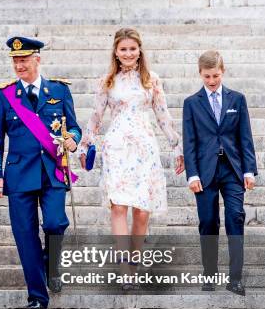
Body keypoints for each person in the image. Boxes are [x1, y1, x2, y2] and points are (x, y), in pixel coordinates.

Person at [78, 27, 185, 290]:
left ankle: (134, 262)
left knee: (142, 212)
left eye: (132, 49)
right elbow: (95, 117)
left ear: (140, 51)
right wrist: (84, 145)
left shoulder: (152, 80)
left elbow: (163, 117)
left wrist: (177, 147)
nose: (128, 53)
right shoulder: (107, 81)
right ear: (116, 51)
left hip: (145, 148)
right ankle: (125, 270)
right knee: (118, 207)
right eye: (123, 49)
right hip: (116, 147)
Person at [0, 36, 82, 309]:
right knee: (25, 235)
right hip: (18, 176)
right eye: (15, 60)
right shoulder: (4, 95)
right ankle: (38, 296)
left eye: (24, 59)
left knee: (55, 223)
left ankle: (51, 265)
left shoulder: (59, 90)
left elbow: (74, 128)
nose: (19, 65)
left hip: (53, 171)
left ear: (37, 59)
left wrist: (72, 140)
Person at [182, 50, 257, 296]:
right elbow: (190, 141)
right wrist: (192, 174)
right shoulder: (191, 103)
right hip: (205, 172)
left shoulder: (237, 99)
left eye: (215, 75)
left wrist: (249, 170)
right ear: (200, 74)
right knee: (208, 221)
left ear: (222, 72)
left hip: (233, 170)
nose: (212, 81)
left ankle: (235, 279)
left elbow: (245, 136)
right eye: (207, 76)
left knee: (236, 217)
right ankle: (209, 274)